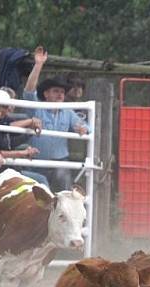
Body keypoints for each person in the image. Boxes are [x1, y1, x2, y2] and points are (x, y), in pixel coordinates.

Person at [22, 46, 89, 192]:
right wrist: (38, 64)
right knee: (35, 195)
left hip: (60, 163)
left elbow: (86, 127)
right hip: (36, 162)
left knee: (64, 186)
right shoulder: (36, 108)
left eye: (62, 92)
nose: (60, 95)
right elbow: (28, 91)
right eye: (56, 91)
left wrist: (83, 129)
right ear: (46, 94)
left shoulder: (68, 112)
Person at [0, 90, 49, 187]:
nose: (0, 112)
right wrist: (23, 153)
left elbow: (12, 135)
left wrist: (30, 129)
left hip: (5, 171)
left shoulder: (0, 124)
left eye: (0, 109)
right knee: (40, 181)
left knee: (41, 180)